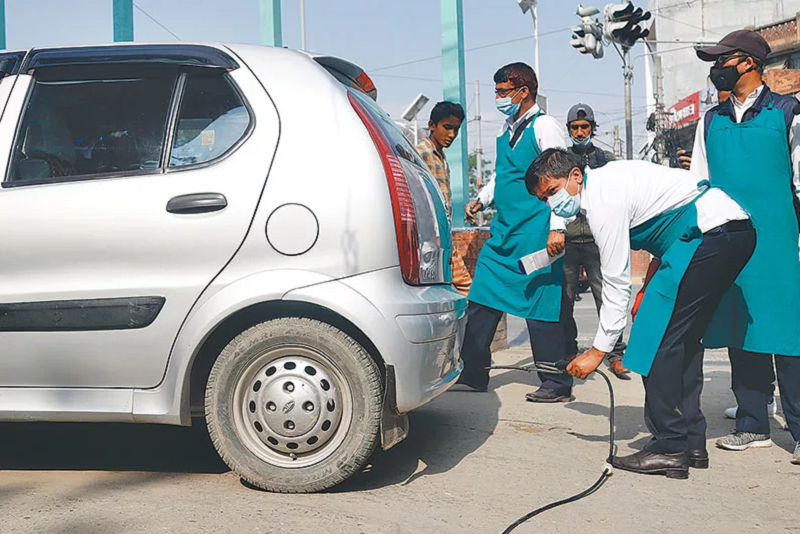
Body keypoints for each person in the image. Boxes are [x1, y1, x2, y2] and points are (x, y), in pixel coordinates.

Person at [527, 148, 755, 479]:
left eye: (552, 191)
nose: (552, 203)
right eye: (543, 199)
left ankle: (669, 446)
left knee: (655, 335)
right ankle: (690, 441)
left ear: (575, 175)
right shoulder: (607, 182)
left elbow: (615, 281)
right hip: (725, 232)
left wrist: (598, 350)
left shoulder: (603, 199)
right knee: (682, 339)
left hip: (708, 234)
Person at [690, 29, 800, 464]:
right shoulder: (709, 121)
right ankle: (752, 422)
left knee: (788, 336)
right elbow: (698, 185)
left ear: (749, 63)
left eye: (724, 59)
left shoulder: (788, 112)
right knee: (741, 330)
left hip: (777, 245)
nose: (717, 67)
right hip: (729, 243)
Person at [457, 62, 572, 402]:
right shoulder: (506, 130)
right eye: (497, 91)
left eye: (503, 92)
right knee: (481, 298)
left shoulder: (545, 126)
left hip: (536, 233)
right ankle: (474, 374)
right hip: (504, 233)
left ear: (524, 92)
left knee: (541, 304)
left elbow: (561, 177)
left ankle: (555, 383)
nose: (498, 98)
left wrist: (558, 227)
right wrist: (482, 198)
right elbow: (504, 174)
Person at [563, 103, 630, 380]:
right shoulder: (561, 160)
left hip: (598, 239)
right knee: (564, 300)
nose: (580, 132)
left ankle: (615, 354)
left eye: (584, 127)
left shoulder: (607, 159)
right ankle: (569, 350)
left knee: (607, 297)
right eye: (575, 128)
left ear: (592, 128)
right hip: (567, 239)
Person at [415, 101, 472, 296]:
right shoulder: (421, 152)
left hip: (443, 237)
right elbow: (419, 198)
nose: (452, 135)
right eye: (447, 128)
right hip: (430, 238)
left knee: (449, 288)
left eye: (456, 129)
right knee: (461, 287)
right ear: (432, 125)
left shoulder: (440, 156)